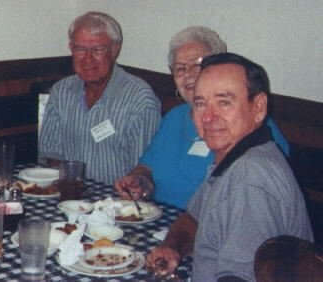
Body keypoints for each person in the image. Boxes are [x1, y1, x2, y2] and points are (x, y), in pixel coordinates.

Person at [146, 53, 312, 281]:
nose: (209, 117)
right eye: (200, 103)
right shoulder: (235, 157)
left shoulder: (250, 177)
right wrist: (173, 247)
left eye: (224, 102)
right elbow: (193, 220)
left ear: (259, 107)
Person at [114, 26, 290, 209]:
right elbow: (147, 168)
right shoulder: (175, 117)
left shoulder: (253, 127)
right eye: (180, 68)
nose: (188, 75)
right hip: (158, 221)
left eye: (198, 65)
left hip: (206, 231)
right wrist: (139, 182)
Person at [38, 11, 161, 185]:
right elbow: (50, 155)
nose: (87, 59)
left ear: (115, 49)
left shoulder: (140, 99)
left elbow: (143, 170)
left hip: (118, 202)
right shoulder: (61, 91)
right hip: (69, 196)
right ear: (71, 48)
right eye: (80, 49)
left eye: (97, 50)